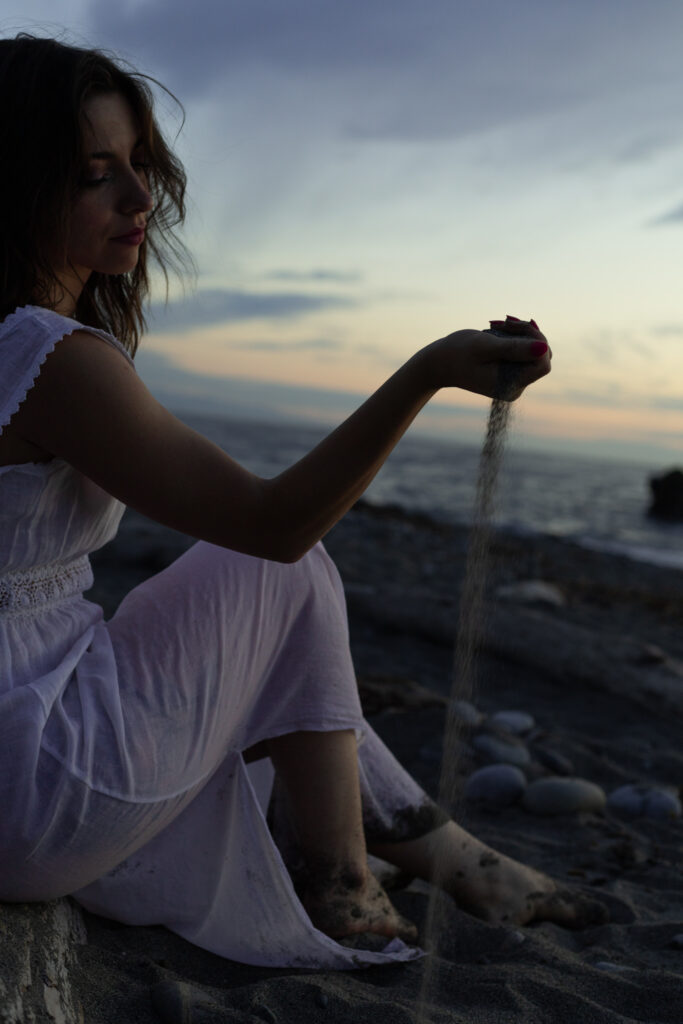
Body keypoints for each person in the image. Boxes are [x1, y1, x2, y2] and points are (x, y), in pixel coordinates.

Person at [0, 34, 606, 970]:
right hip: (36, 785)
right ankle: (346, 885)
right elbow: (274, 525)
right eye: (95, 175)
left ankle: (448, 857)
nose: (140, 199)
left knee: (270, 621)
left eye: (140, 165)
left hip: (25, 735)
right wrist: (427, 372)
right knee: (282, 568)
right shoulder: (46, 357)